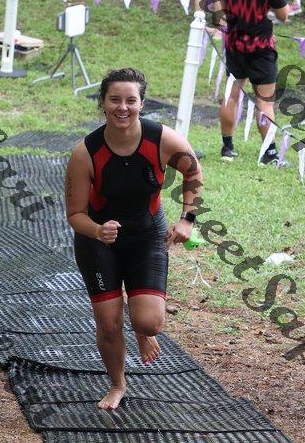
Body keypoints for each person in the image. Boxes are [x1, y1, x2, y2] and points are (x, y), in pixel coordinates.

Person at [65, 68, 203, 410]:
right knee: (109, 324)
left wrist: (187, 218)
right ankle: (117, 384)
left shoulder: (163, 140)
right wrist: (98, 230)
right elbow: (75, 214)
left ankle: (141, 329)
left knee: (150, 322)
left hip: (146, 235)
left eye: (131, 100)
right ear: (102, 102)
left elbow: (193, 172)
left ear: (142, 103)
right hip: (99, 241)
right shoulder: (85, 152)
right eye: (115, 100)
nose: (122, 107)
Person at [218, 0, 289, 164]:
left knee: (231, 96)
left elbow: (221, 6)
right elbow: (284, 15)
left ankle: (227, 147)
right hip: (261, 47)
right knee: (264, 100)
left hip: (234, 43)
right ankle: (269, 153)